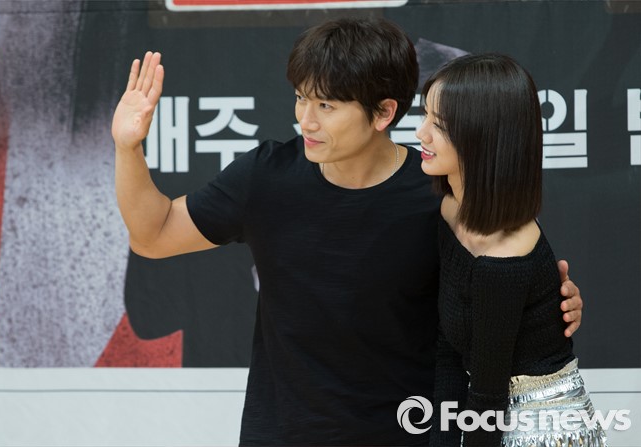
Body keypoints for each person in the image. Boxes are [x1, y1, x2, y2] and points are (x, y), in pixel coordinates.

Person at [111, 18, 583, 446]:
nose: (305, 119)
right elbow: (153, 236)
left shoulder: (438, 195)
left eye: (326, 105)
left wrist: (549, 305)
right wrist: (128, 148)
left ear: (383, 113)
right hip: (282, 434)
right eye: (301, 97)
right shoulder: (265, 175)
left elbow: (503, 286)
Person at [416, 53, 605, 446]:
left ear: (483, 138)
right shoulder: (450, 211)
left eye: (440, 125)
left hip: (543, 429)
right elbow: (450, 349)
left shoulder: (503, 260)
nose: (421, 133)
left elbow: (488, 398)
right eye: (425, 116)